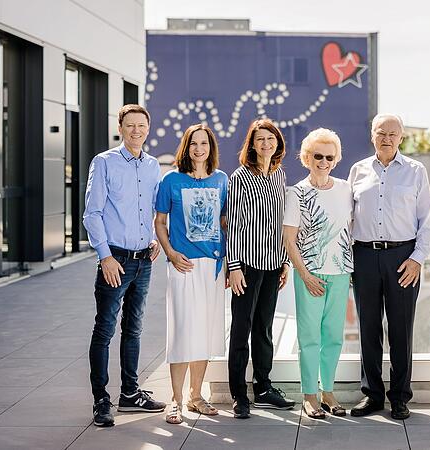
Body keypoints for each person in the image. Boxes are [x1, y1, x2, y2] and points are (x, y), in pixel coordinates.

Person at [83, 104, 166, 427]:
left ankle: (130, 393)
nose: (136, 131)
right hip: (114, 260)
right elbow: (92, 214)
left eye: (141, 125)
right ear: (120, 128)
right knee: (104, 329)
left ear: (148, 128)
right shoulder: (104, 162)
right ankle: (101, 400)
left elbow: (152, 210)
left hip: (144, 260)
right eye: (130, 125)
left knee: (133, 329)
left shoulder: (152, 166)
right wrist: (104, 256)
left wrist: (154, 238)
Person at [348, 114, 430, 420]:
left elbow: (426, 220)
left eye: (392, 134)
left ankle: (399, 397)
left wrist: (417, 258)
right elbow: (348, 219)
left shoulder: (416, 170)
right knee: (368, 328)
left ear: (401, 137)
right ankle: (372, 395)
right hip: (364, 257)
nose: (386, 138)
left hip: (403, 258)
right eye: (381, 133)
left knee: (401, 329)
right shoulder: (357, 170)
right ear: (372, 135)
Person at [154, 124, 227, 424]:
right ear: (186, 147)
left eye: (204, 144)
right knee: (183, 331)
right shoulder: (171, 180)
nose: (199, 149)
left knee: (205, 332)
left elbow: (225, 221)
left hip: (214, 266)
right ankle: (176, 399)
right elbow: (160, 222)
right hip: (183, 265)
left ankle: (196, 396)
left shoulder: (221, 179)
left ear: (211, 148)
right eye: (194, 143)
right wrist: (171, 253)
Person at [227, 118, 296, 419]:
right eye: (260, 139)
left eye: (270, 138)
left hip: (273, 264)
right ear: (252, 144)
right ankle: (239, 395)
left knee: (264, 329)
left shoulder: (280, 175)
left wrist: (285, 261)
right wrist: (233, 267)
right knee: (241, 329)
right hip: (246, 265)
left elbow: (283, 222)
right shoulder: (240, 177)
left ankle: (264, 388)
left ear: (277, 142)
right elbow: (232, 225)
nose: (266, 144)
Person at [283, 128, 353, 420]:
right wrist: (305, 275)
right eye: (317, 156)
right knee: (310, 337)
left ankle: (328, 392)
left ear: (336, 160)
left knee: (334, 337)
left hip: (340, 272)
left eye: (329, 157)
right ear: (306, 158)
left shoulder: (346, 189)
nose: (323, 162)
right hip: (309, 275)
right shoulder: (297, 193)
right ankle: (310, 395)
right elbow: (289, 241)